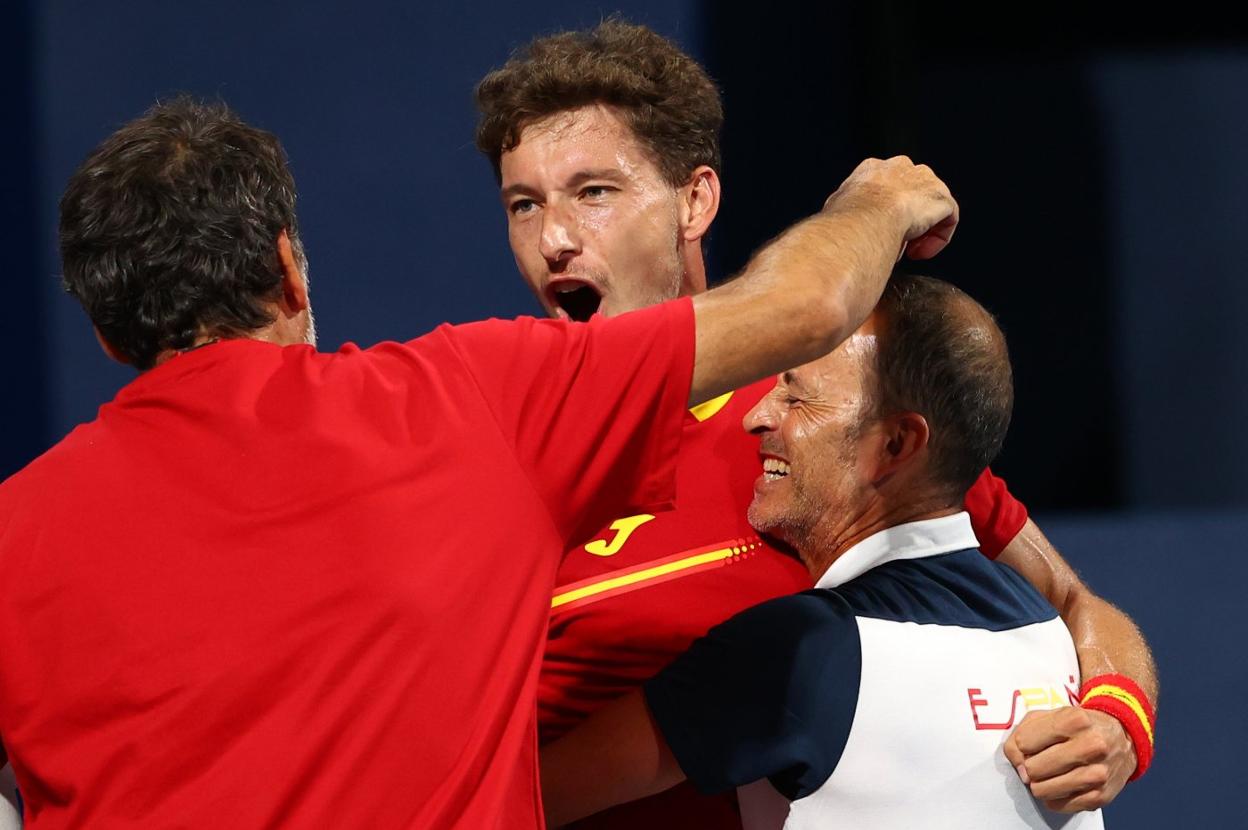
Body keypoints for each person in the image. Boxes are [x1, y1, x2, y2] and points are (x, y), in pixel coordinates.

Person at [0, 98, 956, 827]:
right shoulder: (470, 401)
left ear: (106, 334)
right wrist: (877, 200)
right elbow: (810, 305)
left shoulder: (13, 533)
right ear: (290, 267)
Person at [474, 20, 1156, 827]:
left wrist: (1117, 721)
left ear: (695, 201)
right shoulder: (487, 450)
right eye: (525, 204)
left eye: (594, 193)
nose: (554, 239)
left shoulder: (816, 423)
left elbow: (1077, 601)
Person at [541, 275, 1104, 829]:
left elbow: (527, 800)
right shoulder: (1053, 639)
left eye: (797, 396)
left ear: (896, 444)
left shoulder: (794, 653)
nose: (756, 415)